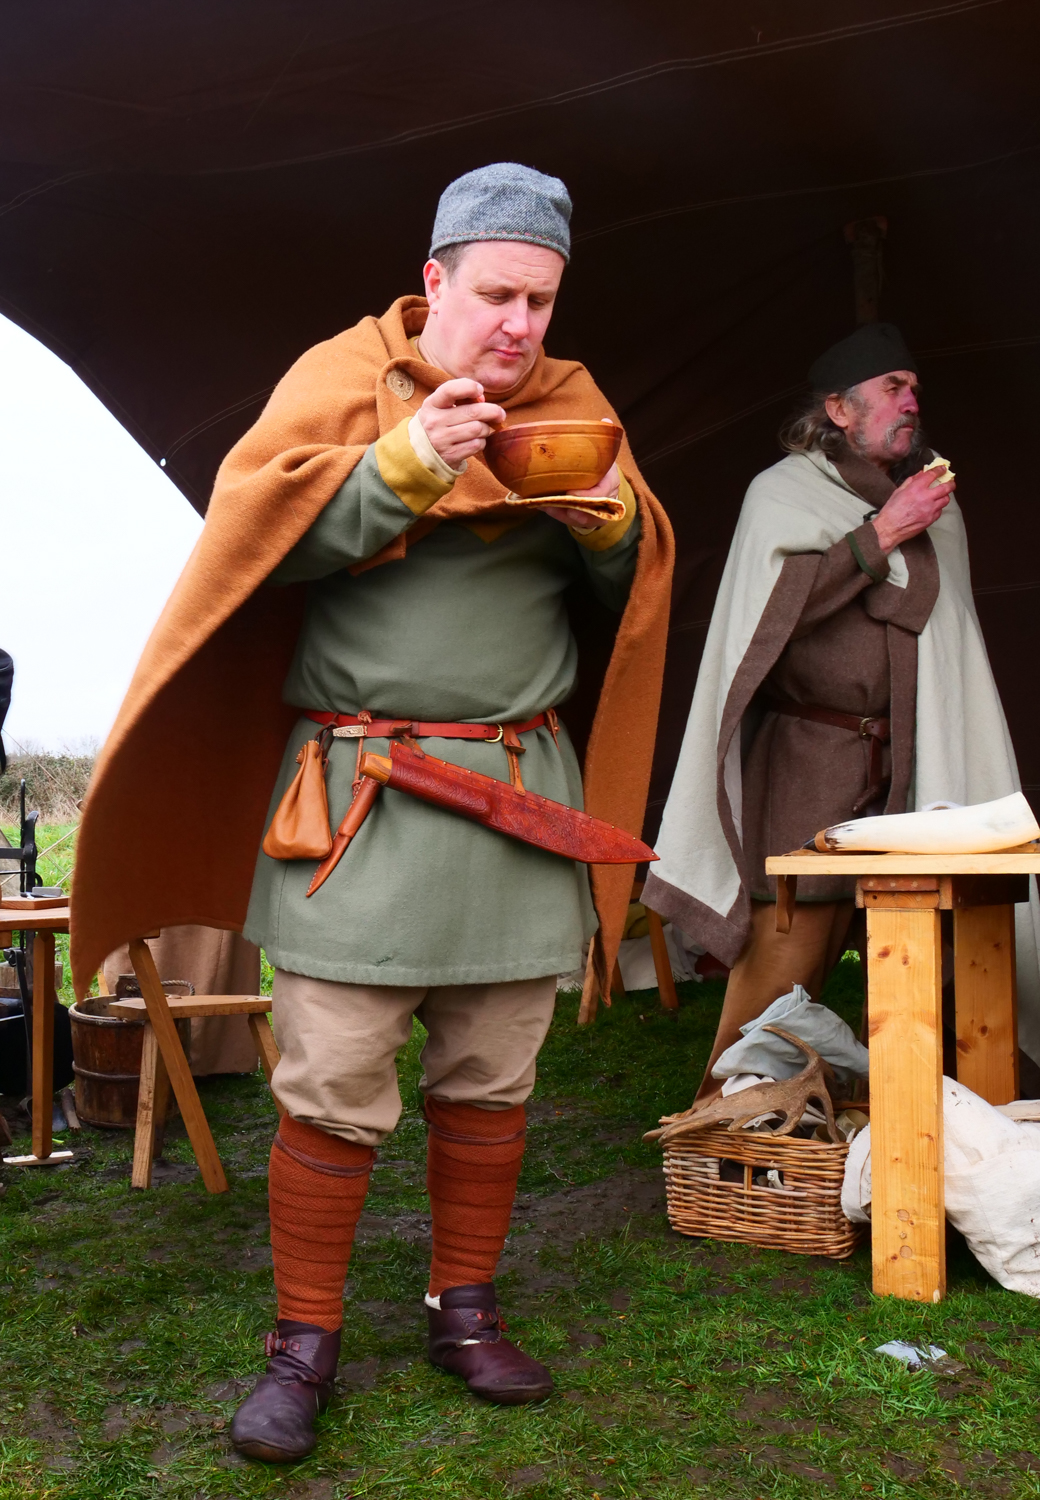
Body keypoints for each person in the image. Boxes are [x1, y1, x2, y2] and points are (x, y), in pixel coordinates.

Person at [70, 163, 673, 1462]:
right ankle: (304, 1344)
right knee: (333, 1084)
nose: (520, 325)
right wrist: (402, 466)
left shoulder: (571, 401)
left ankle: (465, 1313)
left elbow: (629, 585)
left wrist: (613, 525)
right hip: (359, 802)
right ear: (435, 279)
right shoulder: (342, 379)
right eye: (498, 295)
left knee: (493, 1079)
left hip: (517, 796)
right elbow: (255, 543)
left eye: (542, 302)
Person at [644, 321, 1040, 1097]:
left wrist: (903, 523)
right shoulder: (782, 495)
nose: (911, 401)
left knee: (946, 967)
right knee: (779, 982)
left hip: (917, 768)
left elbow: (944, 638)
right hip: (810, 767)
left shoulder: (934, 505)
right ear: (839, 409)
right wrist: (880, 535)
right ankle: (729, 1132)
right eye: (892, 388)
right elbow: (770, 623)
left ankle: (938, 1128)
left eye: (914, 388)